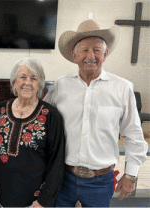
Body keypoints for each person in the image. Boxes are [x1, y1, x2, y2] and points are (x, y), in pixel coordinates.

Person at [43, 20, 148, 207]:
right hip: (63, 177)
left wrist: (130, 174)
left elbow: (133, 134)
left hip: (101, 180)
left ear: (105, 54)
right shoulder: (60, 86)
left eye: (97, 50)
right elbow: (41, 120)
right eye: (84, 50)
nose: (90, 56)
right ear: (74, 55)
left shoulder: (122, 88)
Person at [0, 57, 65, 207]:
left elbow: (56, 163)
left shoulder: (51, 115)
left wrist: (43, 200)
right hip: (1, 197)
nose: (27, 82)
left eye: (33, 78)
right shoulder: (1, 109)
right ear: (14, 82)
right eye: (22, 77)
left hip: (34, 201)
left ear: (39, 84)